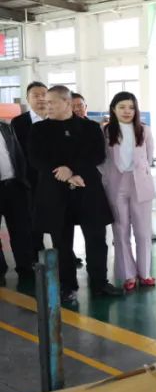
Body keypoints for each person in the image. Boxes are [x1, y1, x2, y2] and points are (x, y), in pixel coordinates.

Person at [29, 86, 119, 306]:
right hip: (55, 192)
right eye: (45, 102)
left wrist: (73, 170)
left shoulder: (90, 128)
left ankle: (99, 283)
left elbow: (97, 155)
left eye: (52, 102)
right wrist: (65, 175)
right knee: (61, 241)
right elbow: (36, 159)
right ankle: (67, 285)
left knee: (96, 238)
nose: (47, 106)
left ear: (67, 103)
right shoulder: (38, 129)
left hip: (87, 188)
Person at [101, 92, 156, 293]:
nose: (127, 111)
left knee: (143, 231)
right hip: (116, 184)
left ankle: (145, 273)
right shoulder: (106, 131)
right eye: (122, 107)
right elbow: (101, 160)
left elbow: (149, 157)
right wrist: (109, 176)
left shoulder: (144, 130)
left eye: (131, 107)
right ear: (113, 109)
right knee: (120, 230)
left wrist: (140, 172)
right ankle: (128, 275)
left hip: (140, 183)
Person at [12, 81, 49, 254]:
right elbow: (16, 152)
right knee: (33, 217)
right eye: (36, 95)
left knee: (61, 217)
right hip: (30, 179)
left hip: (56, 177)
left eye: (44, 94)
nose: (41, 98)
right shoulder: (18, 123)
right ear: (27, 99)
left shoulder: (56, 118)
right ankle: (36, 251)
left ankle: (67, 254)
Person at [0, 117, 35, 280]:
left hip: (14, 186)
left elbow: (17, 153)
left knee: (21, 229)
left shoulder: (5, 126)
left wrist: (23, 180)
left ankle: (25, 266)